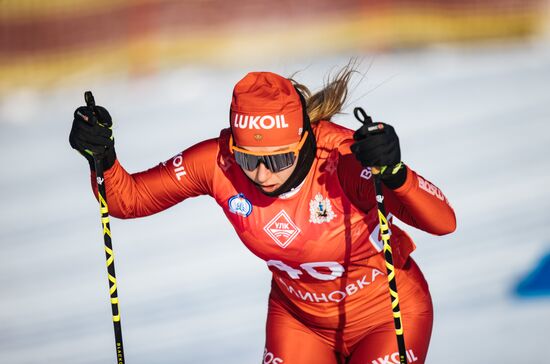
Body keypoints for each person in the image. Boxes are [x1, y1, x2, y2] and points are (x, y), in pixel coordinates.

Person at [69, 67, 456, 364]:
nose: (263, 174)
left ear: (304, 140)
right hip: (299, 322)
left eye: (279, 158)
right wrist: (102, 157)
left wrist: (396, 174)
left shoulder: (341, 160)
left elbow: (443, 222)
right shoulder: (217, 162)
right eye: (248, 160)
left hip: (385, 316)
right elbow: (128, 199)